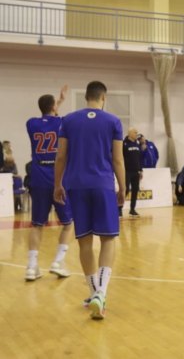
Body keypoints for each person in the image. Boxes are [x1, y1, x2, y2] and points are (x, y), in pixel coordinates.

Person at [54, 81, 126, 320]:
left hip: (76, 185)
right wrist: (123, 187)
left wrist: (58, 184)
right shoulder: (113, 122)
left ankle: (95, 294)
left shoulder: (69, 120)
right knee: (108, 240)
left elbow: (61, 155)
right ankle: (101, 293)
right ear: (103, 97)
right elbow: (117, 160)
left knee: (85, 243)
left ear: (86, 97)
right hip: (103, 185)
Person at [25, 86, 74, 281]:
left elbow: (48, 117)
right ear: (54, 107)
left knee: (36, 224)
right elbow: (56, 121)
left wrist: (57, 102)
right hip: (57, 177)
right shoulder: (62, 123)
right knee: (68, 223)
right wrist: (61, 102)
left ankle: (31, 267)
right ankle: (58, 261)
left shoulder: (31, 123)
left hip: (37, 177)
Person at [122, 127, 142, 218]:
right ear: (129, 133)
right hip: (126, 171)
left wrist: (140, 170)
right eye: (135, 132)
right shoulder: (124, 143)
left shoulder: (137, 143)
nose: (136, 134)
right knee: (125, 190)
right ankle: (119, 209)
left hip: (136, 172)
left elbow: (139, 158)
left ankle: (132, 209)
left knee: (135, 190)